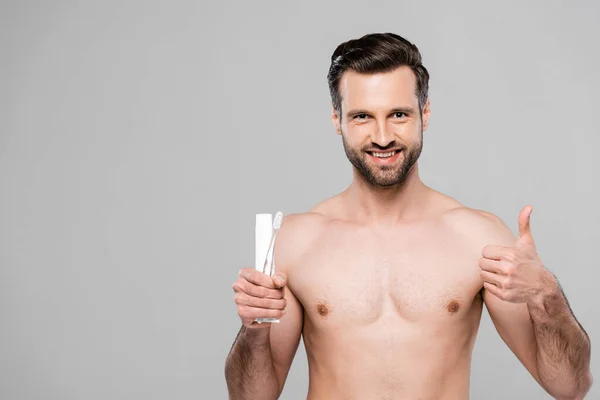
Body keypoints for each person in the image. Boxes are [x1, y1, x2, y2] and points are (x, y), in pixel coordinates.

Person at [224, 32, 593, 399]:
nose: (382, 136)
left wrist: (547, 293)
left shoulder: (477, 238)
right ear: (337, 120)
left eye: (398, 114)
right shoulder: (294, 240)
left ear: (425, 113)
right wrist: (253, 332)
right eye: (362, 117)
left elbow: (570, 387)